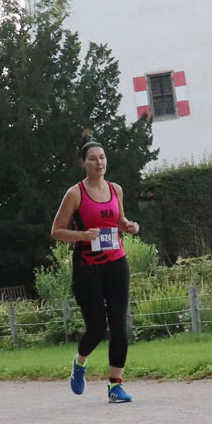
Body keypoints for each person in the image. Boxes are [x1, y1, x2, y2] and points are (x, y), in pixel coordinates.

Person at [49, 134, 140, 403]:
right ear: (83, 163)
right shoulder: (75, 193)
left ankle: (115, 386)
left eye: (102, 157)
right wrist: (82, 235)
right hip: (87, 267)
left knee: (120, 324)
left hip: (116, 262)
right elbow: (57, 231)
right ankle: (80, 362)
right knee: (97, 328)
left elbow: (119, 220)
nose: (99, 163)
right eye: (92, 159)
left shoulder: (116, 189)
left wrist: (129, 226)